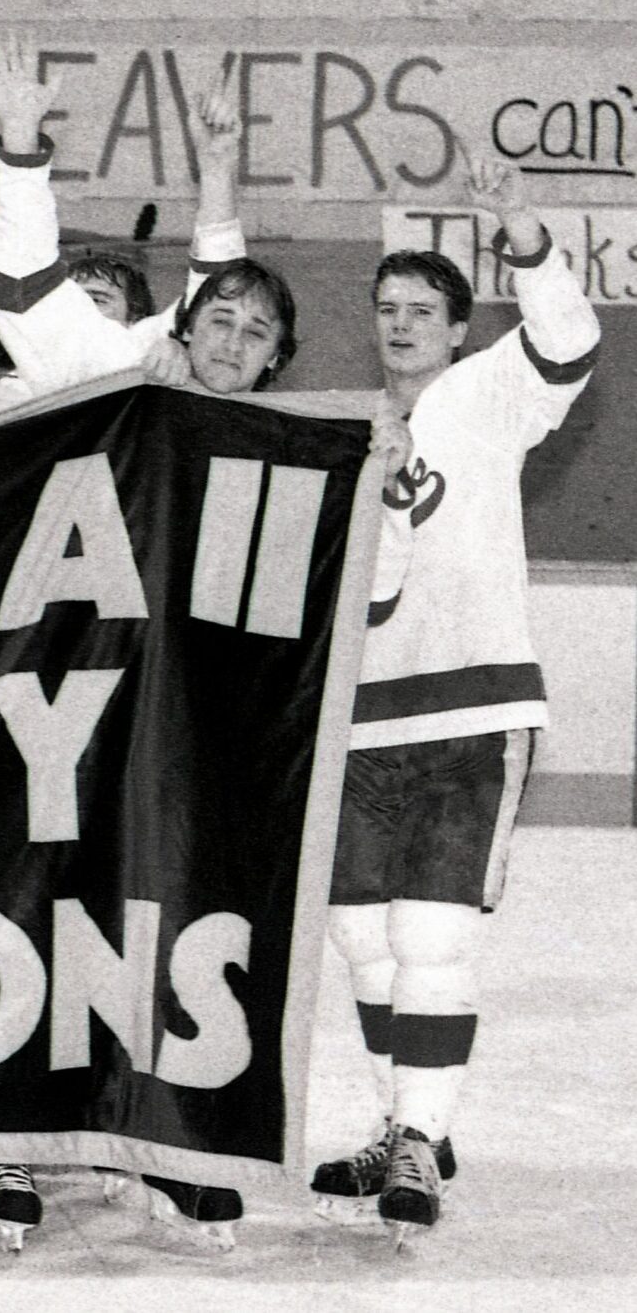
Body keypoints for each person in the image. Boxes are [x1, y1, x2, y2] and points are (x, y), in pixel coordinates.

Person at [315, 157, 601, 1243]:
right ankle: (402, 1125)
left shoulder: (487, 393)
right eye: (385, 309)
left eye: (421, 310)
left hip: (471, 714)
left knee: (432, 937)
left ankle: (424, 1139)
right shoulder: (345, 433)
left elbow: (568, 343)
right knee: (360, 938)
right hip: (361, 718)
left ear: (455, 323)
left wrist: (523, 229)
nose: (400, 325)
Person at [0, 42, 292, 402]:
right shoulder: (122, 362)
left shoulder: (300, 429)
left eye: (255, 333)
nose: (232, 345)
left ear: (276, 356)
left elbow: (220, 289)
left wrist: (217, 165)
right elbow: (21, 279)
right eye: (220, 322)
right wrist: (20, 139)